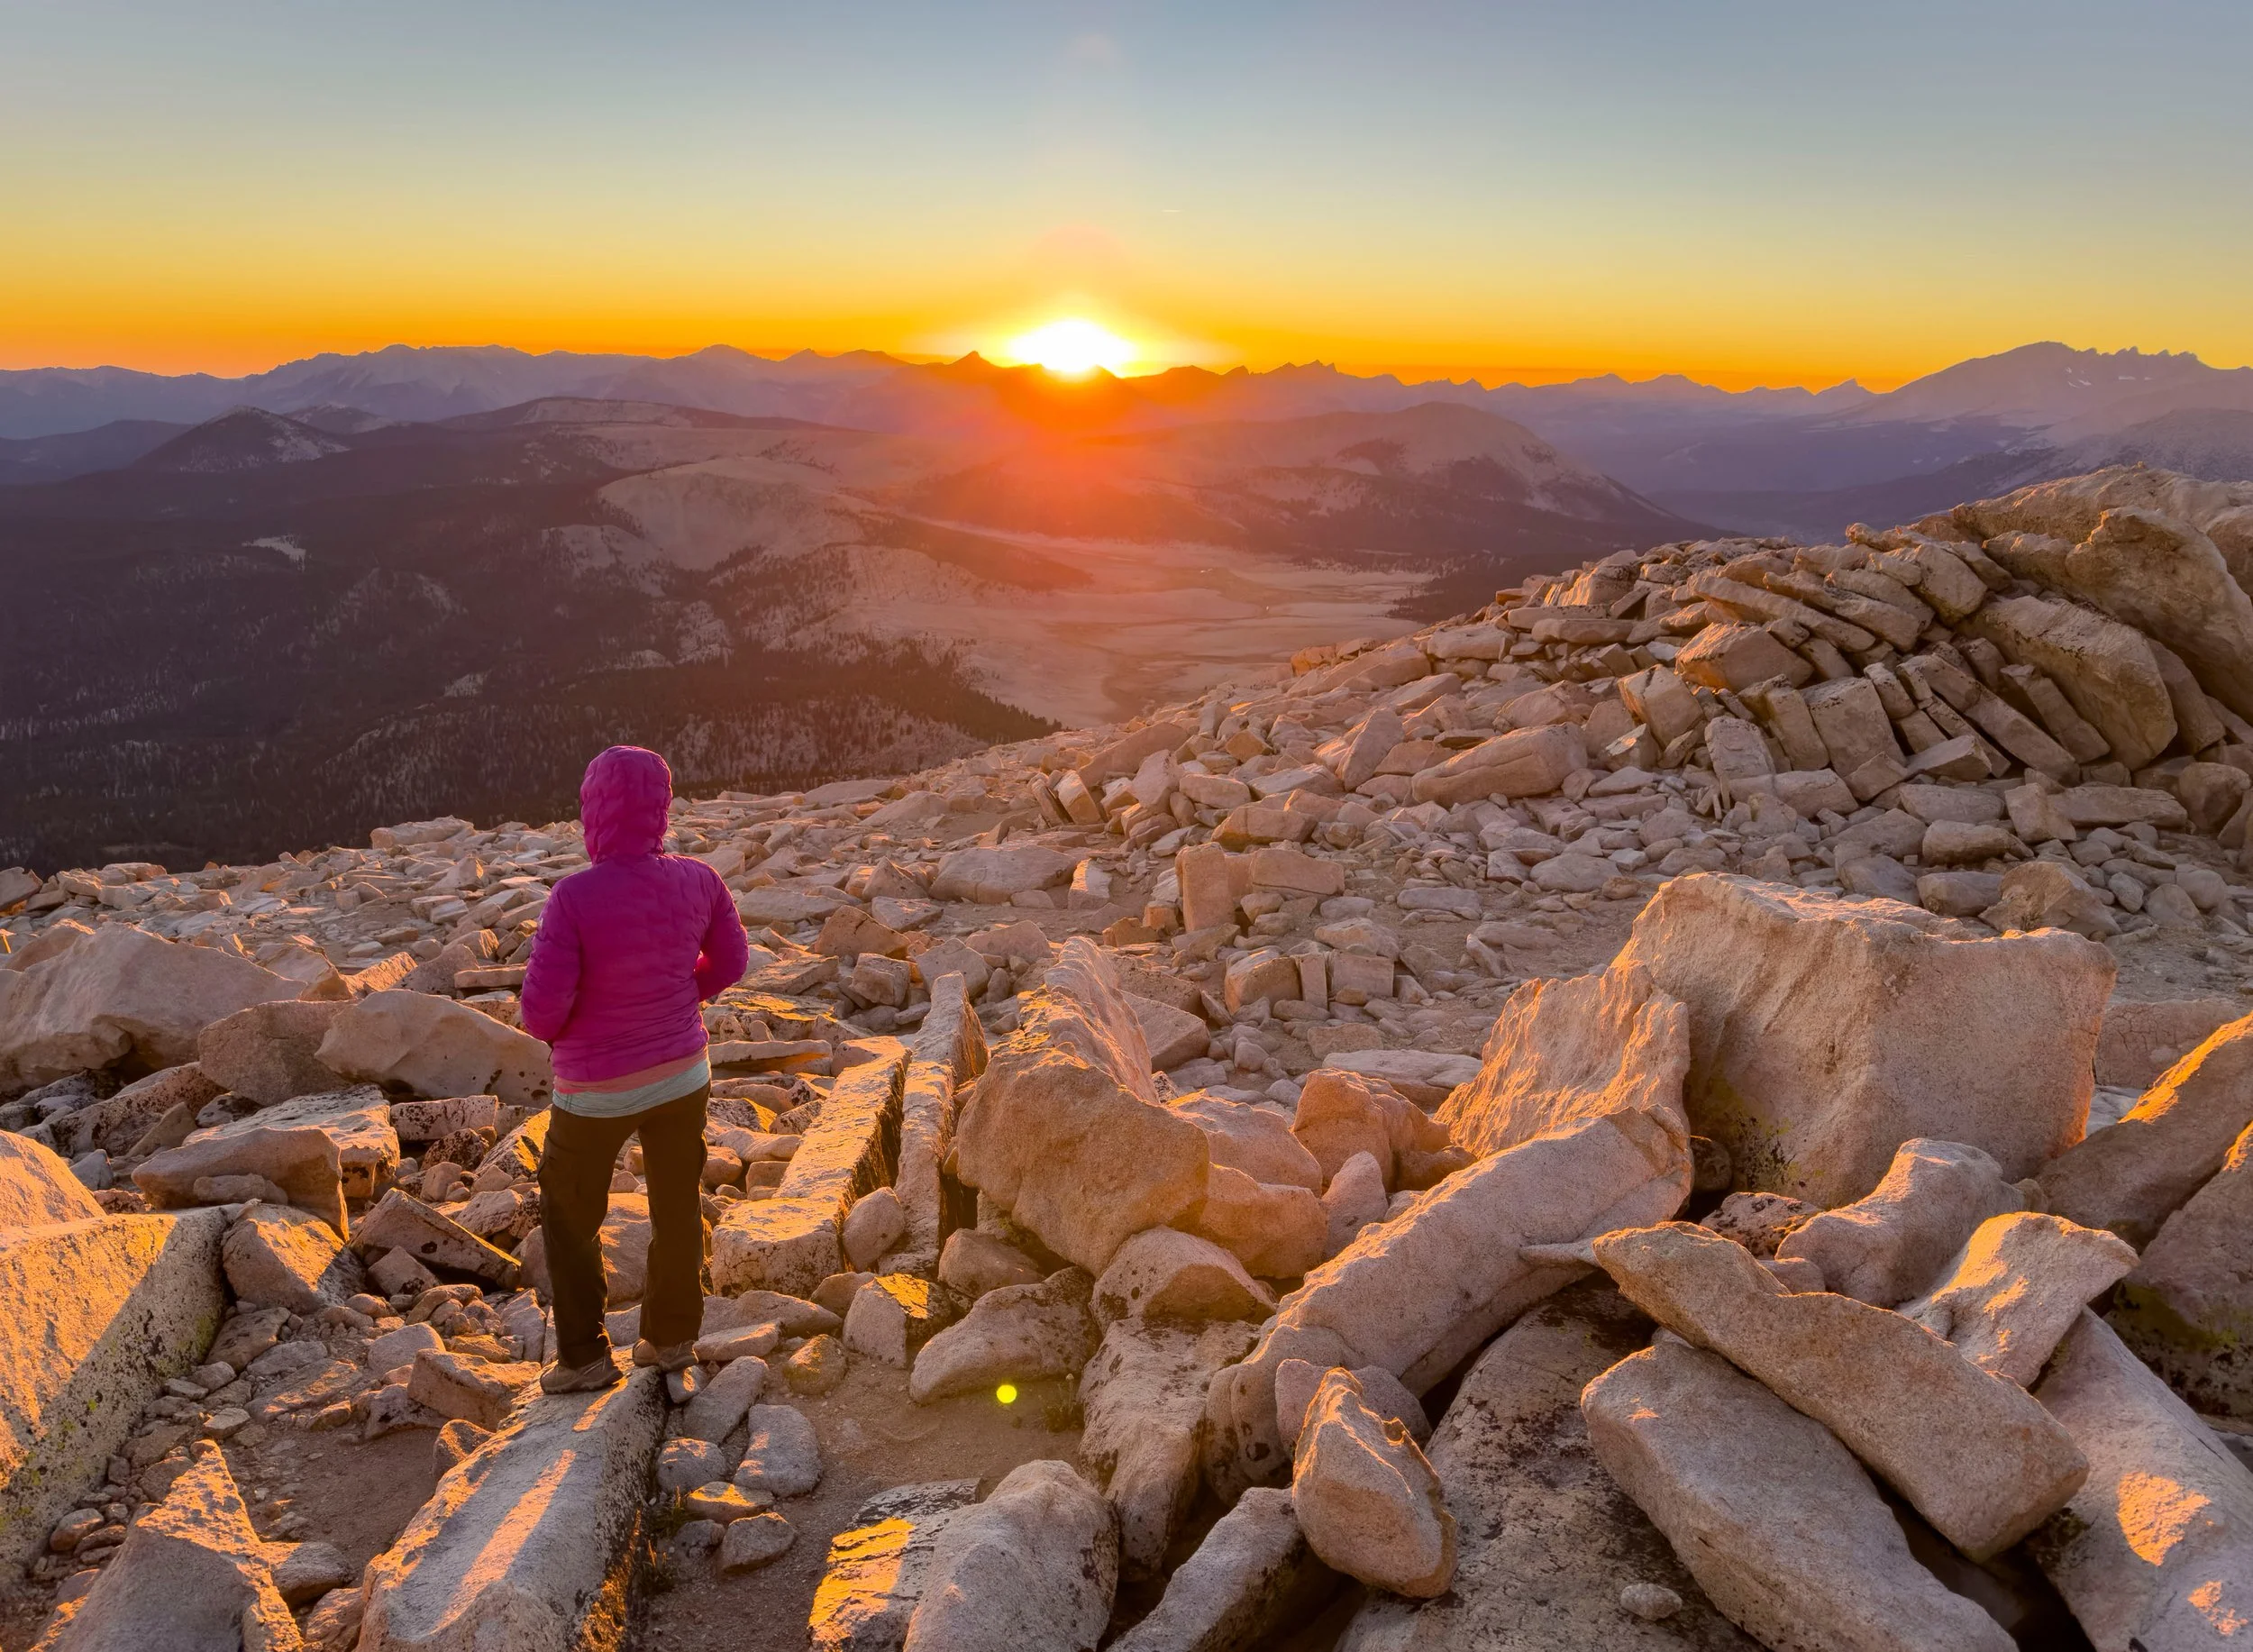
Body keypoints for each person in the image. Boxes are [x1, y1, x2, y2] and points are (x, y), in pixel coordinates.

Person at [519, 745, 747, 1392]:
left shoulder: (572, 898)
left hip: (594, 1090)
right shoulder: (701, 879)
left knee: (569, 1214)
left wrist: (604, 1022)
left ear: (593, 809)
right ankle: (671, 1340)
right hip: (682, 1074)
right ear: (661, 807)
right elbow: (731, 963)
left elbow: (541, 1015)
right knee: (677, 1204)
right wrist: (675, 1000)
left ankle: (585, 1356)